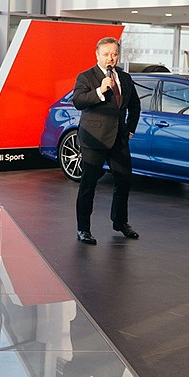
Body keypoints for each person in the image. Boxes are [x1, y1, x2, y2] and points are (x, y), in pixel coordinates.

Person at [72, 37, 141, 244]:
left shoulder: (125, 77)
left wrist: (130, 129)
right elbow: (78, 101)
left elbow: (135, 105)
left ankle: (120, 222)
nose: (110, 58)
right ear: (97, 55)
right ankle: (83, 229)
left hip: (119, 138)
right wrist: (100, 91)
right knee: (88, 186)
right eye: (106, 54)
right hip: (94, 139)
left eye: (114, 54)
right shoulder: (86, 76)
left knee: (123, 181)